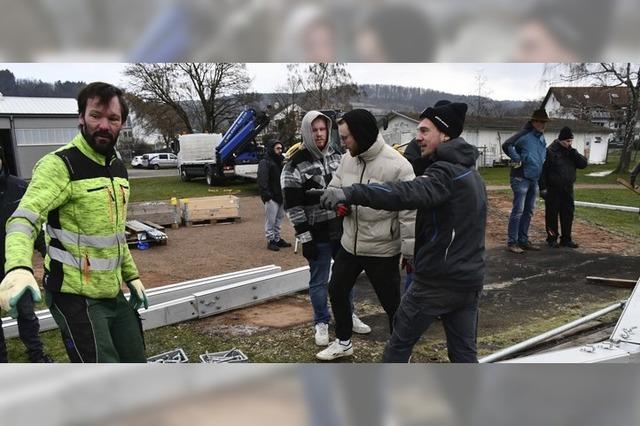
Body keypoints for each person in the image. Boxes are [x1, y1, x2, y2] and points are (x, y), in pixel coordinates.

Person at [316, 102, 487, 363]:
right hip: (468, 280)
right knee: (464, 356)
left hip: (436, 282)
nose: (417, 137)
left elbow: (403, 193)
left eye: (425, 131)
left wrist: (351, 193)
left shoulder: (443, 175)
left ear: (445, 134)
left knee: (397, 347)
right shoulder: (470, 173)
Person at [0, 82, 148, 363]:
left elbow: (115, 234)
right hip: (74, 295)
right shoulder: (60, 165)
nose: (104, 125)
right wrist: (18, 267)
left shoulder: (117, 168)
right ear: (81, 117)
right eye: (95, 116)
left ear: (122, 123)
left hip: (110, 290)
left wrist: (132, 276)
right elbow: (24, 218)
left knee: (136, 358)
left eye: (113, 119)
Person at [315, 109, 415, 361]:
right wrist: (334, 201)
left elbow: (409, 212)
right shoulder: (349, 159)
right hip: (350, 243)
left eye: (347, 137)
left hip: (382, 248)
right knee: (336, 289)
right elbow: (335, 186)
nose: (343, 142)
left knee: (392, 305)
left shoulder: (398, 166)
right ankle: (344, 342)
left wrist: (409, 251)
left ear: (361, 134)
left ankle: (400, 351)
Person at [281, 111, 370, 347]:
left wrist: (347, 207)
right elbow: (293, 206)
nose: (319, 134)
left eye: (323, 129)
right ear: (307, 132)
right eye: (314, 130)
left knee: (346, 279)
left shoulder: (339, 156)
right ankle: (321, 322)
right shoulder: (294, 164)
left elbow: (349, 188)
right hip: (317, 235)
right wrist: (305, 238)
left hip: (341, 231)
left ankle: (348, 315)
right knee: (319, 281)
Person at [0, 153, 52, 363]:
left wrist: (47, 252)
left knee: (27, 315)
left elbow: (33, 224)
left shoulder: (19, 188)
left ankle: (36, 354)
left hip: (16, 267)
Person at [502, 108, 550, 254]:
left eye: (544, 122)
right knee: (518, 210)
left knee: (528, 211)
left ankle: (523, 239)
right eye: (541, 122)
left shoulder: (541, 138)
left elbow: (542, 158)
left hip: (534, 178)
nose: (543, 125)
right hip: (520, 177)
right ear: (534, 121)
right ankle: (512, 242)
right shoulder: (524, 134)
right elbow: (507, 145)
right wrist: (516, 158)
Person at [540, 127, 588, 248]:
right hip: (553, 189)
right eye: (567, 141)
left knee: (568, 214)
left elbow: (583, 164)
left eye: (571, 141)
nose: (569, 143)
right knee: (552, 215)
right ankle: (552, 238)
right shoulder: (550, 151)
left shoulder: (572, 152)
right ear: (560, 140)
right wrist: (542, 188)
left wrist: (574, 153)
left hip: (568, 189)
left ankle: (566, 239)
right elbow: (542, 171)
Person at [257, 140, 291, 251]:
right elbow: (262, 179)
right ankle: (270, 240)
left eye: (281, 148)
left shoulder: (281, 161)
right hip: (271, 196)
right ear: (272, 149)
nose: (280, 151)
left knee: (279, 219)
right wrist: (266, 195)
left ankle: (277, 238)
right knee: (270, 220)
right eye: (277, 148)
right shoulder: (265, 162)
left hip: (281, 195)